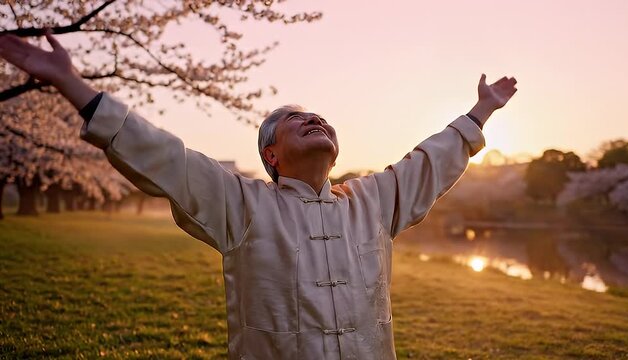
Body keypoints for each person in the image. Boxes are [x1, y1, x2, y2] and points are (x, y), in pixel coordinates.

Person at [0, 32, 517, 359]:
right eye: (297, 119)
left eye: (320, 118)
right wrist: (72, 84)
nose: (316, 119)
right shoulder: (241, 205)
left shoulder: (372, 202)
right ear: (271, 155)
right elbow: (162, 156)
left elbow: (428, 162)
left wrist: (479, 115)